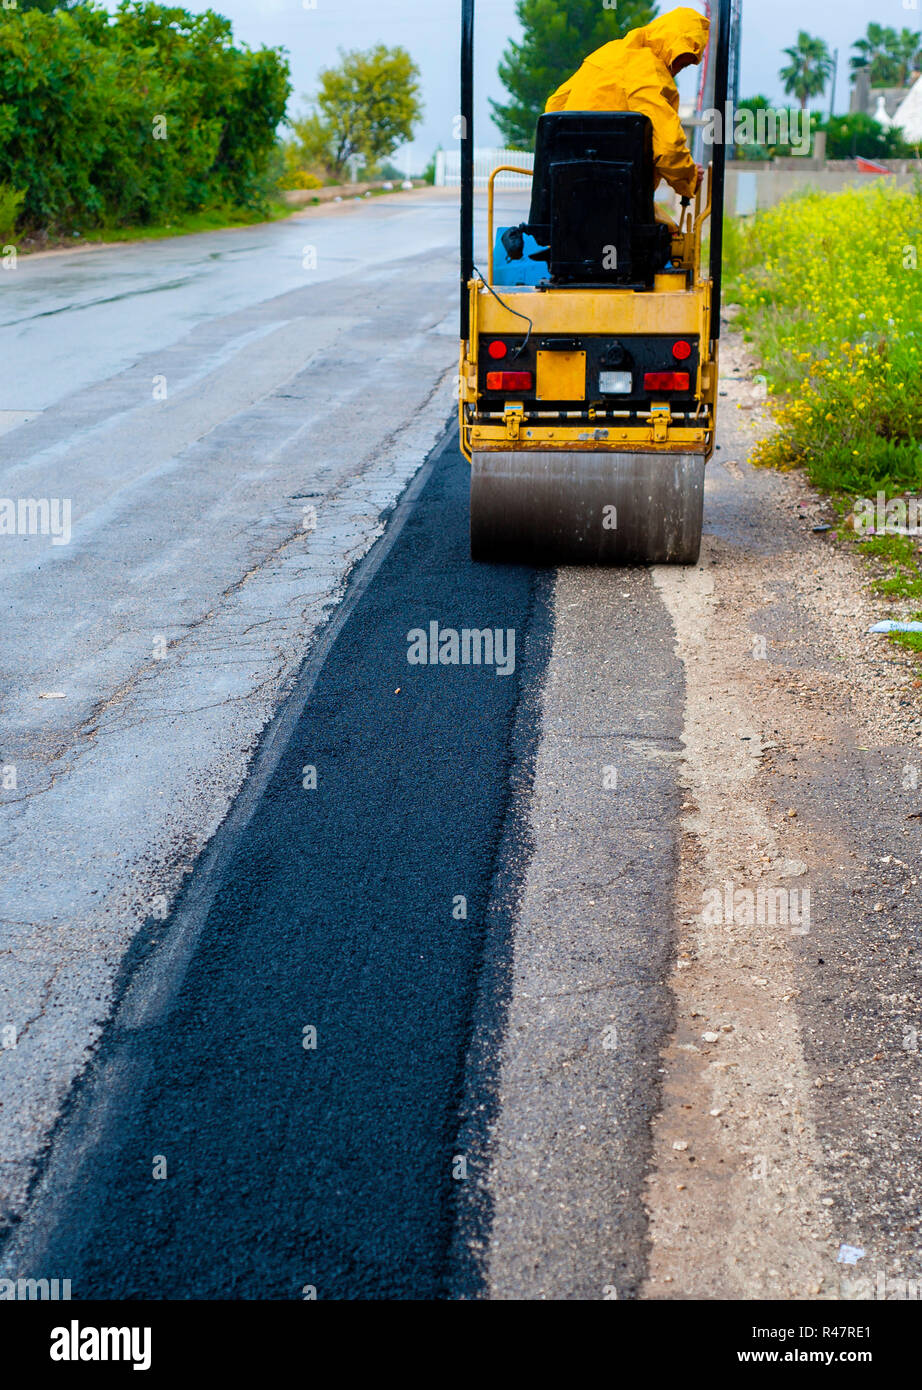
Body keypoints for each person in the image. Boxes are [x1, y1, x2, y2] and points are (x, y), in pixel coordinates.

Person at [545, 7, 709, 207]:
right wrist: (690, 176)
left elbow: (555, 106)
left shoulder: (606, 53)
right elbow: (668, 148)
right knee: (670, 232)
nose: (675, 72)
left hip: (565, 191)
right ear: (671, 46)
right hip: (618, 199)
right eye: (680, 65)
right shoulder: (649, 72)